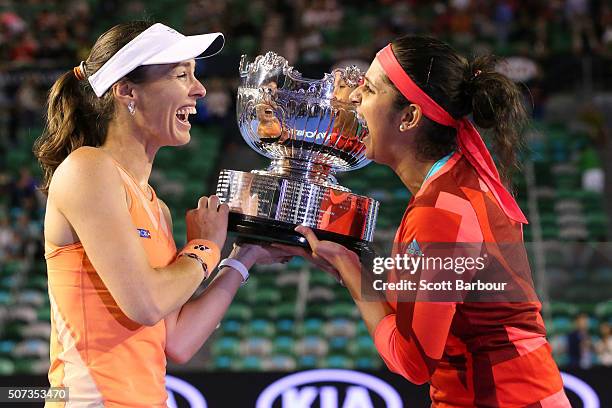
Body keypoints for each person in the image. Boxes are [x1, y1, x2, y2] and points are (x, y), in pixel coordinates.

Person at [275, 36, 571, 406]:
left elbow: (412, 361)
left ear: (410, 117)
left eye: (367, 89)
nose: (352, 98)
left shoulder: (441, 211)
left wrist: (353, 274)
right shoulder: (456, 182)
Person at [34, 21, 285, 407]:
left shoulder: (156, 207)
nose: (199, 89)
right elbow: (146, 304)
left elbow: (179, 341)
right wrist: (204, 247)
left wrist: (242, 258)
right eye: (182, 74)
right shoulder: (88, 168)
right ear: (127, 91)